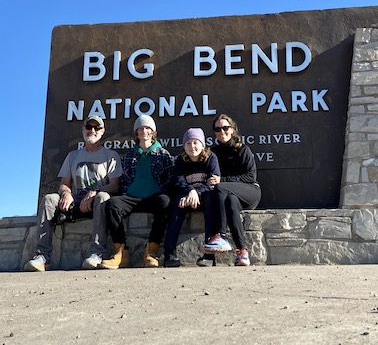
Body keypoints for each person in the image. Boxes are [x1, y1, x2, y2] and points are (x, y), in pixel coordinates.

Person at [24, 116, 122, 272]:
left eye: (97, 128)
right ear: (83, 130)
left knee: (104, 198)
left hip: (97, 202)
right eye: (89, 127)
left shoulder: (111, 156)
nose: (92, 131)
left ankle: (96, 254)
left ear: (102, 132)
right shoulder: (73, 156)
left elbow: (115, 185)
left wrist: (95, 192)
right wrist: (66, 193)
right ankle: (42, 257)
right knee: (50, 199)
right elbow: (64, 183)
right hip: (75, 201)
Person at [100, 115, 173, 270]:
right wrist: (127, 193)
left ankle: (151, 251)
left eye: (147, 128)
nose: (144, 131)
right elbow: (125, 179)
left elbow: (169, 179)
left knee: (165, 201)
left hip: (154, 198)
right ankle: (121, 253)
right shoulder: (129, 156)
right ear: (136, 133)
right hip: (132, 199)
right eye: (140, 128)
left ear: (153, 132)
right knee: (112, 204)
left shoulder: (163, 154)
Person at [163, 128, 231, 267]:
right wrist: (190, 191)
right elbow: (178, 181)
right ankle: (169, 255)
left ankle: (208, 255)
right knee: (176, 203)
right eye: (188, 143)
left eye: (195, 142)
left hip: (205, 196)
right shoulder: (180, 160)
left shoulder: (211, 158)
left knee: (210, 199)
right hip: (187, 197)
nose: (192, 147)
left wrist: (196, 192)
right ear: (184, 146)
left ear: (202, 144)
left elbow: (213, 182)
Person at [201, 113, 261, 267]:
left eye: (225, 128)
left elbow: (250, 177)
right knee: (230, 201)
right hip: (230, 196)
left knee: (220, 188)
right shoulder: (213, 153)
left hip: (250, 192)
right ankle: (242, 252)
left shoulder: (242, 149)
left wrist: (223, 181)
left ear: (232, 129)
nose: (222, 132)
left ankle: (221, 236)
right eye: (218, 129)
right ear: (214, 132)